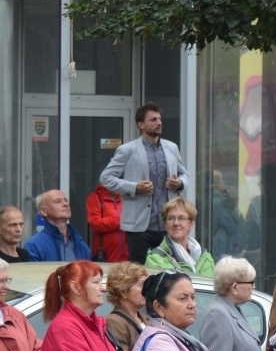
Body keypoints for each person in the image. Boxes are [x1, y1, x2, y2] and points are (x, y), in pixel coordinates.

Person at [99, 102, 191, 263]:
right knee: (141, 271)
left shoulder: (171, 148)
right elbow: (106, 177)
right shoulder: (128, 150)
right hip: (139, 225)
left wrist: (180, 183)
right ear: (141, 124)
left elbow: (185, 174)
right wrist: (134, 187)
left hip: (167, 224)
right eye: (153, 120)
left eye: (160, 119)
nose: (159, 123)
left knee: (172, 269)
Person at [144, 198, 213, 275]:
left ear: (191, 224)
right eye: (171, 218)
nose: (176, 223)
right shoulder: (154, 259)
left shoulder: (205, 257)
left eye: (181, 218)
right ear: (165, 224)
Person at [23, 191, 91, 262]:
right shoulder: (34, 246)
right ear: (43, 211)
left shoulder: (81, 245)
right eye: (58, 201)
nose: (65, 204)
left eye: (66, 200)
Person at [85, 184, 126, 263]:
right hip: (105, 255)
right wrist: (121, 221)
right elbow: (95, 223)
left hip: (126, 255)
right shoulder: (95, 198)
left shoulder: (125, 198)